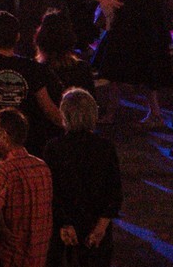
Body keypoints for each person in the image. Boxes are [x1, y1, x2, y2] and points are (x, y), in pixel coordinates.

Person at [43, 90, 121, 267]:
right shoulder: (105, 148)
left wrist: (64, 223)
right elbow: (114, 191)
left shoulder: (54, 148)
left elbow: (51, 191)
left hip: (63, 227)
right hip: (95, 224)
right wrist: (101, 227)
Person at [0, 109, 51, 267]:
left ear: (4, 135)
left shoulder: (3, 169)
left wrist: (1, 229)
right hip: (37, 252)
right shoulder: (42, 167)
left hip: (11, 255)